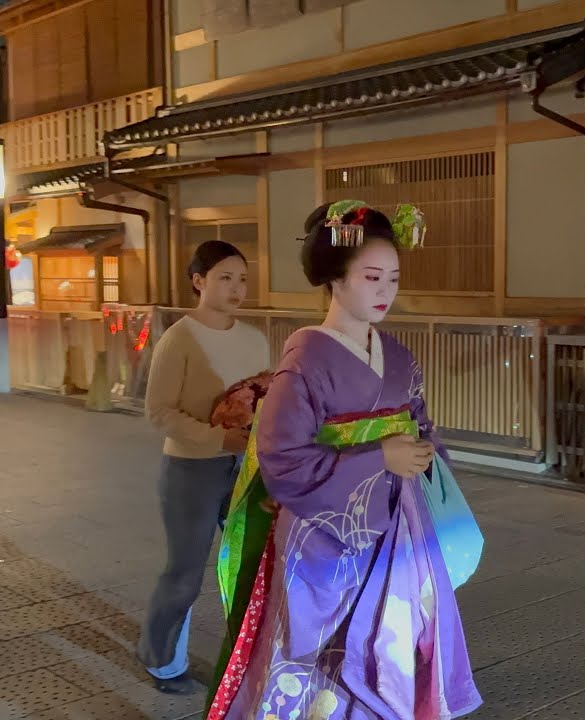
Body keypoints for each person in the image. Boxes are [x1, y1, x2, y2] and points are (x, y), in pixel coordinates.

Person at [205, 202, 482, 720]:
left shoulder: (398, 356)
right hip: (323, 539)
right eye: (372, 277)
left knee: (395, 647)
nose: (386, 291)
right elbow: (283, 457)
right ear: (334, 279)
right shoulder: (305, 360)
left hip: (398, 527)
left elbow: (420, 423)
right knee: (320, 658)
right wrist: (379, 456)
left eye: (394, 278)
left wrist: (424, 454)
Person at [139, 240, 271, 694]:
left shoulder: (255, 338)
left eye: (242, 279)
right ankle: (162, 661)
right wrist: (219, 437)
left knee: (252, 567)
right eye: (225, 277)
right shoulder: (179, 338)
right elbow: (159, 411)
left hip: (247, 468)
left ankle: (249, 660)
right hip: (191, 471)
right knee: (186, 571)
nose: (236, 288)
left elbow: (266, 400)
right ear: (198, 281)